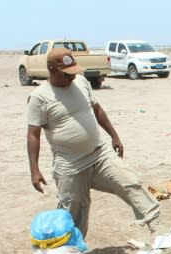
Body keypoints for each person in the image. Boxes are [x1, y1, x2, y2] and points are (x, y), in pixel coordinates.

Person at [26, 48, 160, 237]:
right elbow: (33, 135)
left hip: (100, 154)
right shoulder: (39, 97)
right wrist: (34, 169)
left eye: (74, 72)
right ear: (52, 70)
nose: (72, 77)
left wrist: (114, 135)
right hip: (70, 164)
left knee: (130, 183)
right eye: (67, 74)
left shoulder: (81, 82)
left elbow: (97, 110)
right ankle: (70, 250)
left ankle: (158, 229)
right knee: (73, 211)